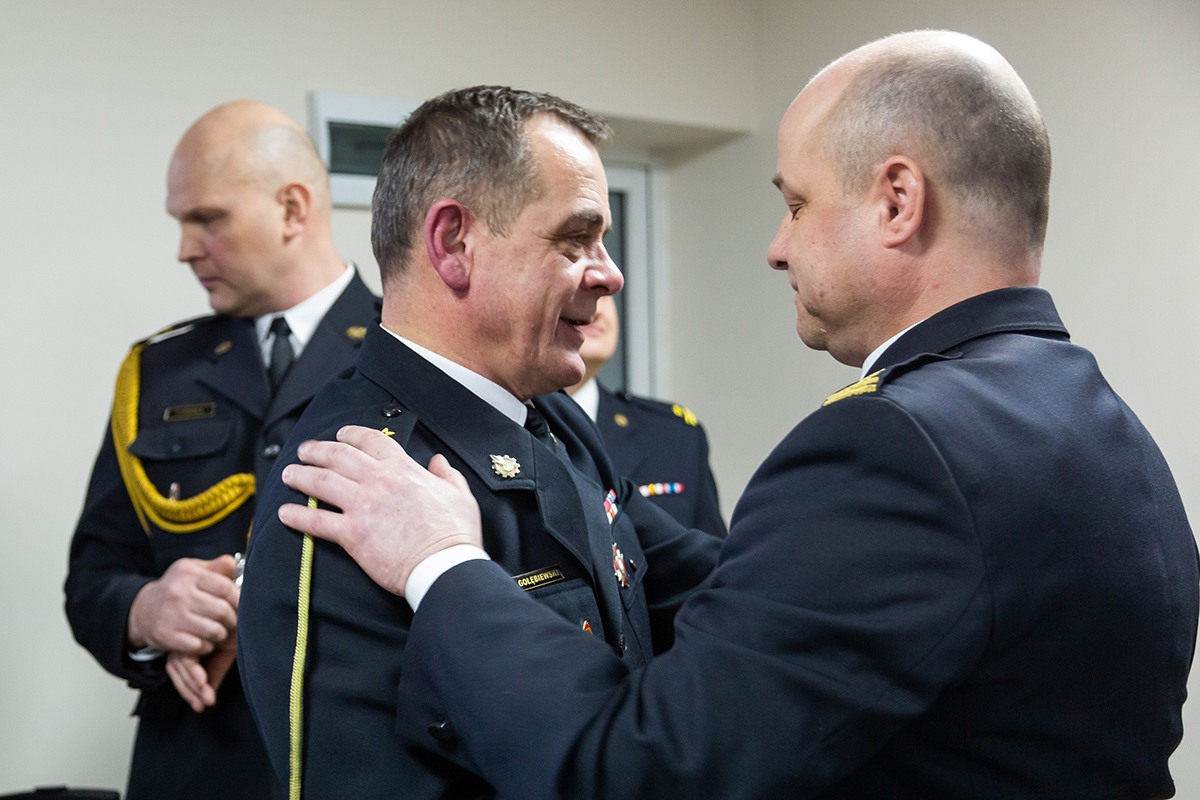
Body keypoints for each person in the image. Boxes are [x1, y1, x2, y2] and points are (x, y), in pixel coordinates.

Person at [278, 31, 1200, 799]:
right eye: (576, 238)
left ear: (897, 201)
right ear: (452, 244)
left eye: (796, 204)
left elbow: (648, 766)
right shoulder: (1095, 418)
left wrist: (442, 563)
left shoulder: (900, 444)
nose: (776, 246)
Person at [236, 86, 721, 800]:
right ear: (454, 244)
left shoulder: (553, 420)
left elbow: (697, 594)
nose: (611, 273)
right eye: (575, 239)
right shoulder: (354, 478)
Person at [64, 100, 380, 800]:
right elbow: (90, 579)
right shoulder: (159, 371)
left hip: (362, 763)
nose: (185, 248)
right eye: (181, 223)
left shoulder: (412, 354)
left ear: (292, 209)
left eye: (207, 219)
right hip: (196, 764)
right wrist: (147, 610)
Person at [566, 295, 727, 537]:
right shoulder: (510, 425)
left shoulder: (674, 437)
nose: (598, 311)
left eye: (604, 294)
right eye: (580, 290)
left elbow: (712, 557)